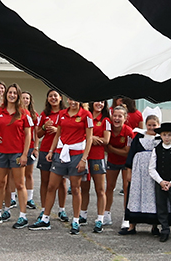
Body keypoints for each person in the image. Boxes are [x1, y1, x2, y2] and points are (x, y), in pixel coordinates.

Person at [29, 98, 93, 234]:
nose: (73, 102)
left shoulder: (86, 115)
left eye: (76, 99)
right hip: (60, 153)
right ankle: (45, 219)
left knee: (75, 188)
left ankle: (75, 220)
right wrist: (51, 151)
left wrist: (84, 159)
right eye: (71, 99)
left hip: (77, 154)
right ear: (67, 100)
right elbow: (58, 134)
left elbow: (89, 138)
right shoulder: (62, 113)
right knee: (52, 186)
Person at [0, 84, 33, 228]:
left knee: (19, 184)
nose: (12, 95)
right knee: (1, 183)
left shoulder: (24, 113)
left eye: (14, 93)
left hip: (17, 153)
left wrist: (25, 154)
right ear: (6, 95)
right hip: (0, 152)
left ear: (18, 95)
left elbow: (28, 134)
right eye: (9, 92)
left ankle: (23, 216)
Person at [121, 108, 162, 235]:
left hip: (154, 171)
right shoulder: (139, 136)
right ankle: (132, 226)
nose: (151, 127)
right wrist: (129, 171)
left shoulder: (160, 138)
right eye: (149, 125)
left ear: (158, 125)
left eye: (154, 125)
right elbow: (131, 154)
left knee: (154, 195)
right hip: (139, 172)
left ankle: (154, 226)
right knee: (136, 195)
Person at [35, 89, 68, 222]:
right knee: (45, 181)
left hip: (61, 151)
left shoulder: (65, 113)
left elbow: (70, 131)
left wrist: (57, 130)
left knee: (62, 182)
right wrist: (43, 127)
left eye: (55, 95)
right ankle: (44, 209)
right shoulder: (44, 114)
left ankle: (62, 210)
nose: (53, 98)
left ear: (61, 98)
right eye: (50, 96)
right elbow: (37, 134)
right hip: (45, 150)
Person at [80, 100, 111, 232]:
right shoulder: (85, 116)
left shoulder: (105, 120)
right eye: (97, 101)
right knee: (84, 188)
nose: (100, 104)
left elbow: (105, 140)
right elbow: (79, 135)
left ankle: (100, 218)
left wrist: (90, 137)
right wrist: (91, 138)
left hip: (97, 158)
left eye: (102, 102)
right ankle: (82, 215)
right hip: (83, 157)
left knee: (100, 189)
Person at [104, 105, 133, 227]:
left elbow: (127, 151)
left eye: (120, 116)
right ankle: (106, 214)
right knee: (110, 186)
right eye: (114, 115)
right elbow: (105, 146)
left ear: (125, 118)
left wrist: (111, 149)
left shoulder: (128, 131)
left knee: (126, 188)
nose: (116, 118)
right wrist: (111, 150)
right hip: (112, 161)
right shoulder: (108, 129)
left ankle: (126, 216)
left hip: (126, 162)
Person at [20, 91, 38, 210]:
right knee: (15, 175)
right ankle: (12, 198)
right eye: (23, 98)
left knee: (29, 174)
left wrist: (36, 147)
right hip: (17, 147)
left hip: (30, 146)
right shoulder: (16, 113)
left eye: (27, 98)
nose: (25, 100)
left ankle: (29, 198)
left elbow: (36, 133)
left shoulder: (34, 115)